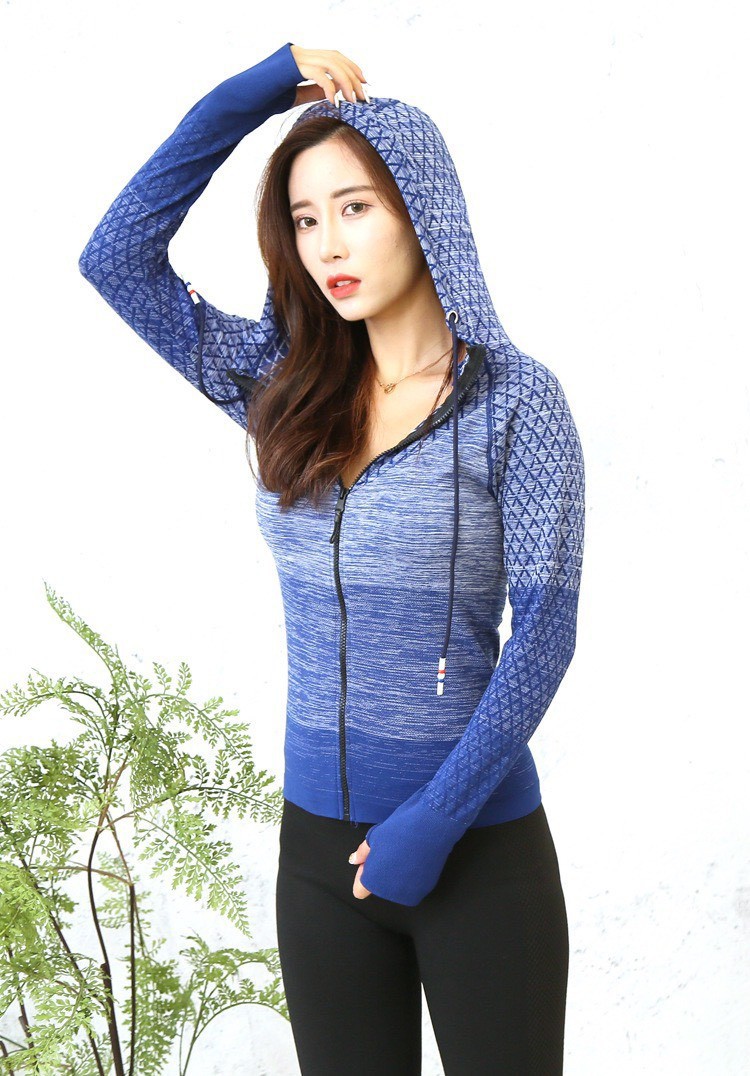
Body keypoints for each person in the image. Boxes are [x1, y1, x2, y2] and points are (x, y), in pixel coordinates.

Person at [78, 40, 586, 1075]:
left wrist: (434, 821)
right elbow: (116, 257)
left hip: (478, 854)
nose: (327, 243)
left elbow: (546, 633)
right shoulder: (284, 388)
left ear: (422, 209)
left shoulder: (515, 404)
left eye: (355, 207)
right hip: (316, 861)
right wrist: (257, 92)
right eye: (304, 219)